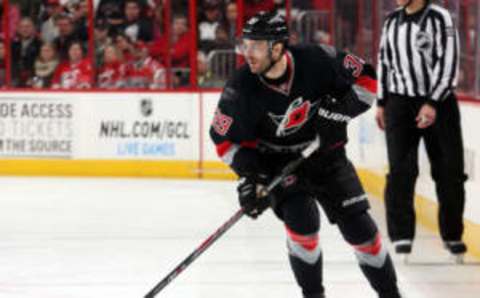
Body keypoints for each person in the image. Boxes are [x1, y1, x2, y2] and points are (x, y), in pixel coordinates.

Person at [210, 11, 402, 298]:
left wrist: (339, 113)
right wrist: (253, 177)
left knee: (361, 230)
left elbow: (368, 79)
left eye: (257, 45)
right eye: (245, 45)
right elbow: (223, 142)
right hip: (279, 165)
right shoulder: (239, 89)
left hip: (327, 157)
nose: (247, 53)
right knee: (303, 226)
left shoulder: (318, 59)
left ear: (277, 47)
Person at [376, 0, 467, 259]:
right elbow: (384, 60)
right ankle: (401, 235)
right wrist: (382, 101)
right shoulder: (392, 21)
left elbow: (449, 61)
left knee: (449, 171)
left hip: (439, 104)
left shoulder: (440, 18)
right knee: (400, 171)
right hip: (399, 103)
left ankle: (452, 235)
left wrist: (433, 102)